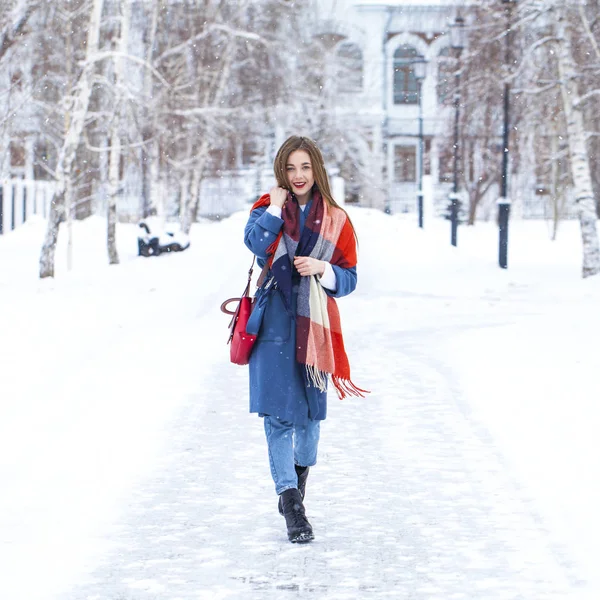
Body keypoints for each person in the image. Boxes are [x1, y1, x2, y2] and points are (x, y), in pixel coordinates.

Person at [243, 135, 367, 544]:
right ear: (282, 171)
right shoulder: (266, 208)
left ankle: (296, 482)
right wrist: (276, 208)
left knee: (310, 421)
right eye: (291, 168)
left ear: (317, 170)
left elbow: (348, 279)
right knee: (278, 418)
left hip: (314, 327)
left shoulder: (337, 219)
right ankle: (292, 503)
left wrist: (322, 268)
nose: (298, 176)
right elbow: (257, 244)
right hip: (274, 324)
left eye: (305, 167)